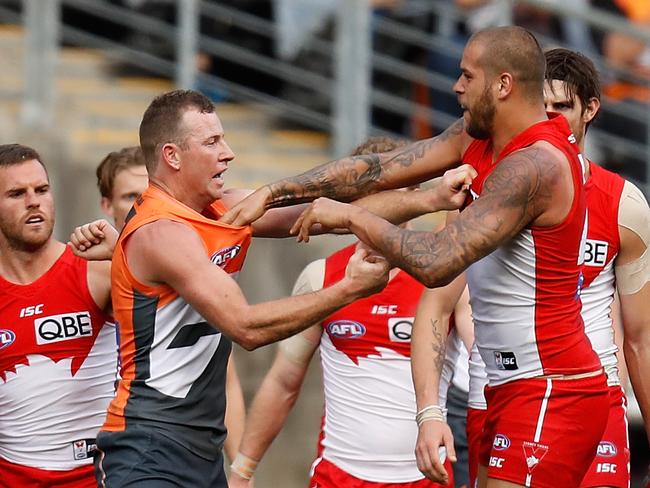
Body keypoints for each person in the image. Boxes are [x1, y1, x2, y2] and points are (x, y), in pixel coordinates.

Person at [223, 26, 613, 488]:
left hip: (552, 387)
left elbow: (437, 260)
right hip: (507, 387)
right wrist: (275, 191)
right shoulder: (481, 138)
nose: (456, 86)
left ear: (503, 85)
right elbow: (377, 170)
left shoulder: (535, 164)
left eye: (468, 75)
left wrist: (351, 219)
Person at [81, 89, 475, 488]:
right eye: (212, 142)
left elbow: (324, 216)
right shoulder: (160, 232)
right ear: (172, 156)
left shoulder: (223, 209)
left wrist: (430, 199)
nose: (229, 153)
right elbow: (246, 327)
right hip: (150, 443)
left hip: (198, 445)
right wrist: (348, 290)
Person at [414, 47, 650, 488]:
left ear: (590, 110)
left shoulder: (624, 203)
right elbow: (436, 303)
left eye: (563, 106)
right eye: (542, 108)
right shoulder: (486, 192)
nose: (552, 119)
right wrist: (429, 411)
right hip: (498, 392)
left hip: (589, 392)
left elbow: (640, 340)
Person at [227, 136, 455, 488]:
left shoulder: (443, 278)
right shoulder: (321, 276)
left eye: (397, 194)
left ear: (417, 200)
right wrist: (243, 470)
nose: (383, 207)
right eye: (370, 197)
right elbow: (284, 380)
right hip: (338, 476)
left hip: (424, 477)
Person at [93, 145, 248, 465]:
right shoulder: (88, 270)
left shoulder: (190, 267)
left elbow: (227, 379)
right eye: (130, 196)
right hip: (118, 446)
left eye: (147, 193)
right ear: (106, 204)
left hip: (177, 447)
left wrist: (240, 468)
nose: (143, 204)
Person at [0, 144, 116, 488]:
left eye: (42, 190)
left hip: (97, 478)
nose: (34, 201)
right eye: (17, 193)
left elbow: (180, 281)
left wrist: (125, 248)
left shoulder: (98, 270)